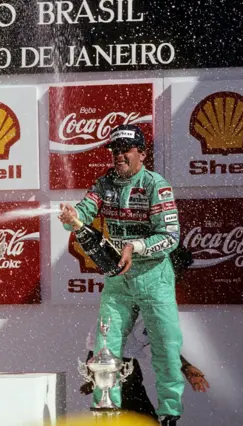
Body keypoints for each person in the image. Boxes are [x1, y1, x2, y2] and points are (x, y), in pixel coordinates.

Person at [59, 124, 185, 426]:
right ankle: (106, 411)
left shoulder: (156, 185)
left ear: (141, 153)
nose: (118, 156)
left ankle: (170, 414)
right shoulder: (105, 184)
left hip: (155, 277)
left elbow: (171, 236)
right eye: (114, 151)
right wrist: (71, 217)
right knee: (105, 347)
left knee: (167, 347)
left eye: (125, 150)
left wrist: (135, 247)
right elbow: (82, 214)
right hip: (119, 278)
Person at [80, 314, 210, 421]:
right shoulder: (120, 306)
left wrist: (186, 367)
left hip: (126, 364)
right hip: (114, 363)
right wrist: (93, 376)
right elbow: (96, 348)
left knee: (142, 416)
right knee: (136, 415)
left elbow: (163, 346)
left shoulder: (153, 313)